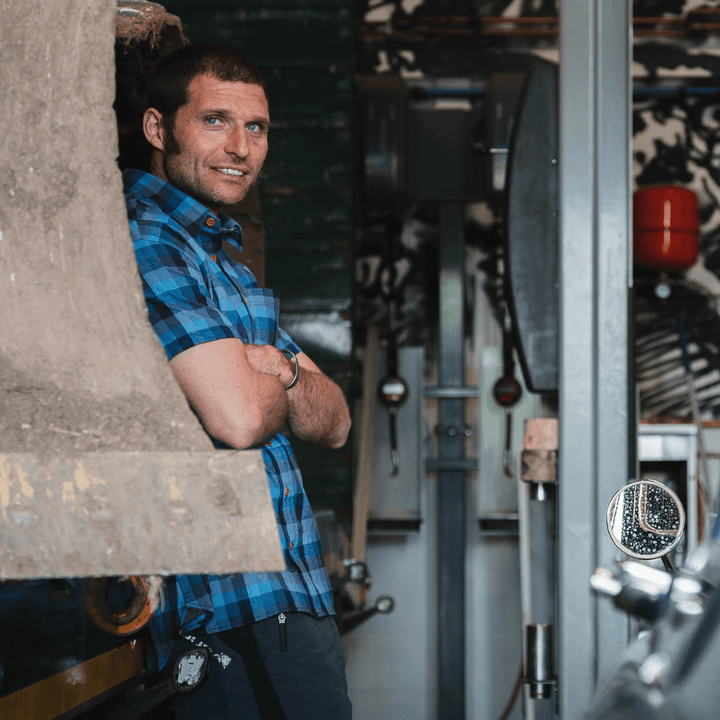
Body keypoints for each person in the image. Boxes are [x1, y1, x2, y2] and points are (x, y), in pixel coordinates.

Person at [122, 42, 353, 719]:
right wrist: (273, 379)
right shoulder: (147, 243)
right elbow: (240, 420)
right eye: (216, 120)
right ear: (159, 129)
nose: (241, 147)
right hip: (230, 608)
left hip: (287, 601)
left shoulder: (219, 259)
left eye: (256, 128)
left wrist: (271, 368)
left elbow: (334, 422)